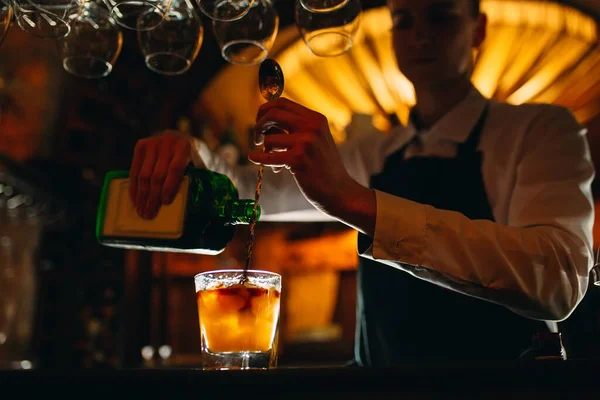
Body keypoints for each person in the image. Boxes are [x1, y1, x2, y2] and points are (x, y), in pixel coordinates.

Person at [128, 0, 595, 365]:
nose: (420, 36)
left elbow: (557, 280)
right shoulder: (370, 152)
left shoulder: (542, 130)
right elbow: (246, 189)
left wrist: (354, 201)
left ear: (478, 29)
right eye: (404, 21)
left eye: (440, 17)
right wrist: (189, 150)